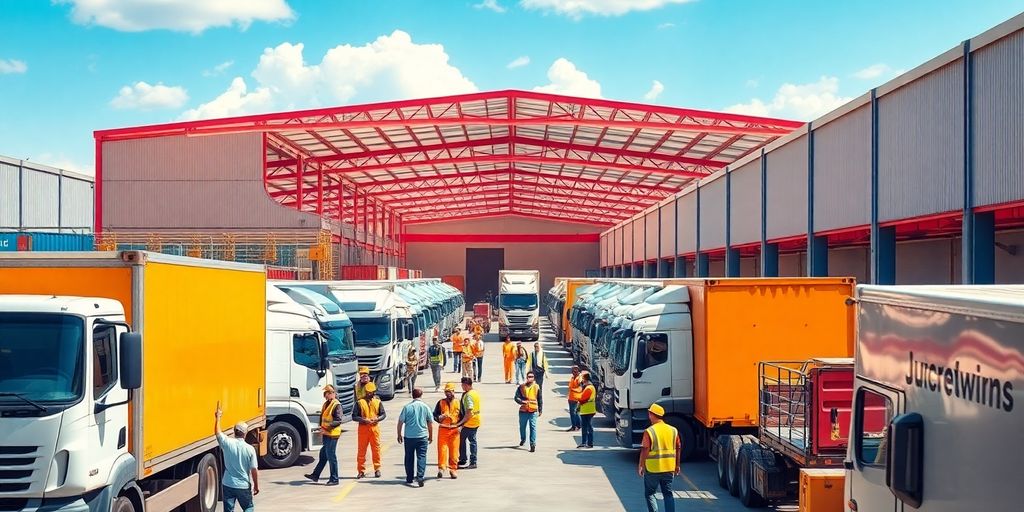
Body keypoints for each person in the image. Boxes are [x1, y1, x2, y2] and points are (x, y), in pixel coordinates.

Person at [214, 403, 259, 511]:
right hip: (243, 485)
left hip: (228, 483)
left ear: (234, 432)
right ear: (245, 433)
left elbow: (217, 432)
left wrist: (218, 418)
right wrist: (256, 486)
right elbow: (254, 470)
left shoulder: (227, 443)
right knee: (248, 507)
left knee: (229, 510)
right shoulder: (250, 449)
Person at [638, 403, 681, 512]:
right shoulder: (673, 430)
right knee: (668, 494)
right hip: (668, 468)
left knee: (650, 494)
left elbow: (645, 449)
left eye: (649, 413)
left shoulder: (649, 431)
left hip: (653, 469)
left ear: (652, 415)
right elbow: (678, 447)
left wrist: (641, 465)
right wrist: (677, 465)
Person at [305, 384, 343, 485]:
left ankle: (334, 479)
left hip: (332, 435)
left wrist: (327, 427)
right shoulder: (326, 404)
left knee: (331, 457)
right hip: (326, 433)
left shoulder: (336, 405)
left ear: (333, 393)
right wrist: (321, 428)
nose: (325, 395)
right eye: (325, 394)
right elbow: (323, 418)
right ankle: (315, 475)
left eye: (327, 393)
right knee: (323, 455)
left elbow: (338, 421)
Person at [397, 388, 434, 487]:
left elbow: (400, 422)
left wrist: (399, 434)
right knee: (421, 456)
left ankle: (409, 478)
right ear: (421, 395)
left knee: (409, 457)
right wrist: (431, 436)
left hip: (409, 437)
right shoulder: (426, 407)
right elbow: (430, 423)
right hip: (422, 436)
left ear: (412, 395)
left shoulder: (407, 407)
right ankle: (420, 477)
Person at [354, 382, 386, 479]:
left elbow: (383, 414)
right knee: (361, 451)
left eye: (370, 392)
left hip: (374, 428)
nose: (369, 394)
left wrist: (377, 419)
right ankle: (361, 471)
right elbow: (354, 416)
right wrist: (363, 420)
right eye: (367, 392)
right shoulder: (359, 403)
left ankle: (377, 469)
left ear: (374, 392)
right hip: (363, 429)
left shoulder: (377, 402)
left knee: (376, 449)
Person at [433, 382, 464, 479]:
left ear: (453, 392)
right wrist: (440, 417)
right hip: (443, 429)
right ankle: (441, 468)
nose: (447, 394)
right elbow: (434, 415)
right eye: (446, 392)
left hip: (454, 430)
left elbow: (463, 417)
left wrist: (460, 427)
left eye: (449, 392)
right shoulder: (440, 402)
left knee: (454, 452)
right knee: (442, 450)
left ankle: (453, 470)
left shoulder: (459, 402)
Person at [514, 371, 543, 452]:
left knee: (533, 427)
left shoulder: (536, 387)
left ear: (534, 378)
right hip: (523, 411)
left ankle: (532, 444)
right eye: (528, 376)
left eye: (531, 376)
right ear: (526, 377)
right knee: (522, 427)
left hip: (533, 410)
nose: (530, 378)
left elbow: (540, 399)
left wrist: (540, 409)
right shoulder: (521, 387)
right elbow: (516, 398)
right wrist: (522, 402)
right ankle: (523, 439)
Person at [457, 377, 481, 469]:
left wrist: (461, 423)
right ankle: (467, 459)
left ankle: (470, 461)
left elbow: (469, 411)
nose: (462, 387)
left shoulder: (469, 396)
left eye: (462, 385)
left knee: (464, 440)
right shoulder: (475, 393)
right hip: (476, 419)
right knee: (472, 440)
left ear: (466, 385)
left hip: (470, 421)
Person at [577, 371, 597, 449]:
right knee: (585, 427)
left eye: (582, 378)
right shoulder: (587, 387)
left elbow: (583, 399)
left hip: (588, 410)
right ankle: (584, 442)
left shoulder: (589, 388)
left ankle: (589, 443)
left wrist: (577, 398)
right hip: (586, 410)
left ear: (585, 379)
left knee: (588, 427)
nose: (581, 380)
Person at [567, 366, 583, 432]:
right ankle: (574, 426)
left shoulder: (580, 378)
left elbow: (581, 388)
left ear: (578, 372)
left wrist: (572, 389)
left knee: (575, 413)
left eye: (575, 371)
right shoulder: (573, 378)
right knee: (572, 413)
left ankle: (577, 426)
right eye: (572, 371)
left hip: (576, 398)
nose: (573, 373)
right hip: (571, 398)